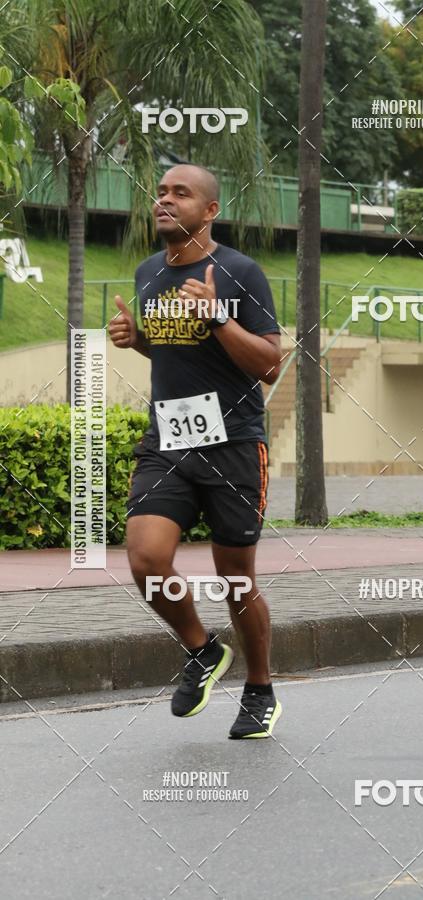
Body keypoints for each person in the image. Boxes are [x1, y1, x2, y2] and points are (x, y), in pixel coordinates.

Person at [108, 163, 283, 739]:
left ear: (209, 211)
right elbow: (176, 350)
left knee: (235, 580)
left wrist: (219, 318)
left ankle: (259, 690)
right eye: (160, 192)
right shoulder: (149, 272)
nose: (164, 200)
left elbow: (270, 363)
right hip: (168, 443)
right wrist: (139, 341)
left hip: (233, 444)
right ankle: (203, 649)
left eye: (180, 194)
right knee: (145, 559)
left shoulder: (239, 272)